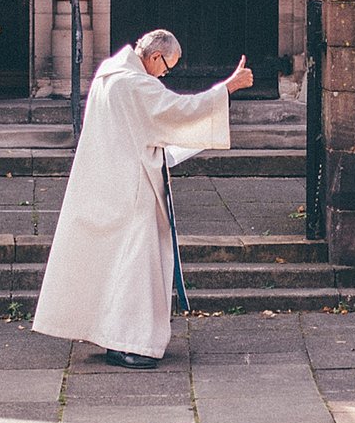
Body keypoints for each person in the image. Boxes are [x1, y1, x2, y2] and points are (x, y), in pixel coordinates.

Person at [33, 29, 250, 368]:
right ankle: (129, 343)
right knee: (136, 269)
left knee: (115, 265)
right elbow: (179, 109)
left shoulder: (109, 74)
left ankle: (113, 336)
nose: (165, 74)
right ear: (153, 56)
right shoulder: (134, 84)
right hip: (131, 189)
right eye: (167, 67)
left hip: (108, 182)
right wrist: (228, 87)